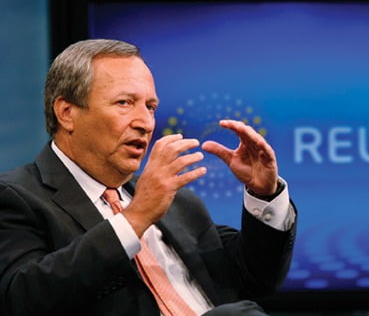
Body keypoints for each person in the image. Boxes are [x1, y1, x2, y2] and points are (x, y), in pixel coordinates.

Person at [0, 39, 296, 316]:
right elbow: (21, 298)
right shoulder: (17, 197)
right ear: (66, 113)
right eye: (124, 103)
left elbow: (256, 280)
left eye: (150, 107)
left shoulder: (177, 202)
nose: (145, 123)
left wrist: (264, 194)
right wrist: (136, 217)